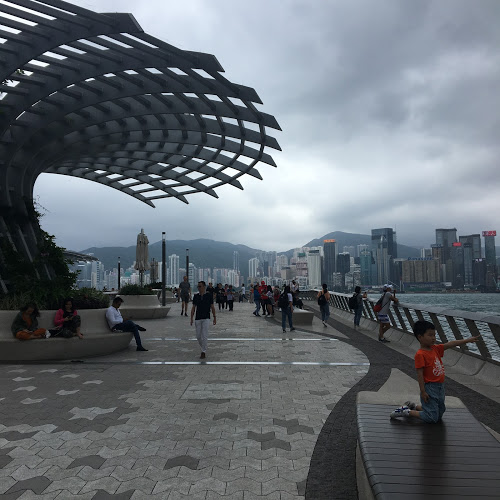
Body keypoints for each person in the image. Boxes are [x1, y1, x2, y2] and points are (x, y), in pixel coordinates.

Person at [390, 320, 480, 421]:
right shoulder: (420, 354)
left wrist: (467, 340)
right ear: (420, 337)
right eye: (430, 335)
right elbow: (420, 374)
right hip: (430, 387)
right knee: (432, 418)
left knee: (439, 412)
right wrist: (423, 391)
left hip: (440, 386)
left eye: (434, 335)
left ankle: (414, 406)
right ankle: (406, 411)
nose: (433, 338)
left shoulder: (435, 349)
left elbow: (450, 344)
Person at [191, 281, 216, 359]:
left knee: (204, 335)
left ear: (204, 287)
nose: (199, 288)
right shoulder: (196, 296)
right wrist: (191, 318)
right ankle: (203, 347)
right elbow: (193, 307)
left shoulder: (208, 296)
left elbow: (212, 307)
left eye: (200, 286)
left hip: (206, 318)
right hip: (198, 318)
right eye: (198, 286)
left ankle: (203, 351)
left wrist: (214, 317)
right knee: (198, 336)